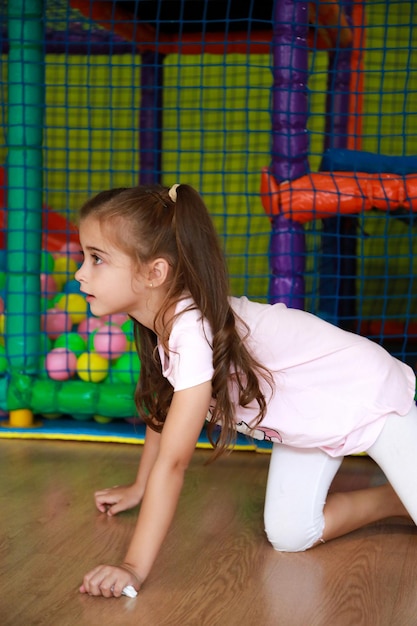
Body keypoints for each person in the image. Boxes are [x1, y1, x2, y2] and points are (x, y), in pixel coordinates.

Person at [76, 183, 417, 599]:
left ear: (154, 273)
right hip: (311, 419)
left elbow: (175, 462)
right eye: (83, 257)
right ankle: (399, 499)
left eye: (96, 259)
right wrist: (139, 486)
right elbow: (165, 414)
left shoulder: (190, 330)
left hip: (366, 394)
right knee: (291, 534)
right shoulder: (161, 324)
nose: (80, 272)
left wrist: (132, 567)